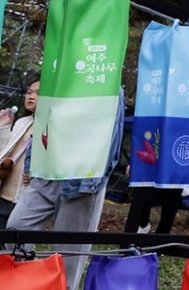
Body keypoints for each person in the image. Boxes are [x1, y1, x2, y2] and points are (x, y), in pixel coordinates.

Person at [8, 85, 124, 290]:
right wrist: (30, 163)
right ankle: (20, 283)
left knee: (69, 253)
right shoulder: (60, 70)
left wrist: (93, 181)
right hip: (47, 169)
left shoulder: (107, 77)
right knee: (16, 229)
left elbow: (112, 130)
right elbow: (44, 119)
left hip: (82, 175)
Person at [0, 79, 37, 227]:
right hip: (3, 195)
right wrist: (3, 126)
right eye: (29, 92)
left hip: (22, 200)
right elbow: (3, 151)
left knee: (14, 245)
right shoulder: (22, 122)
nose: (31, 96)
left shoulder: (51, 127)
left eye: (38, 93)